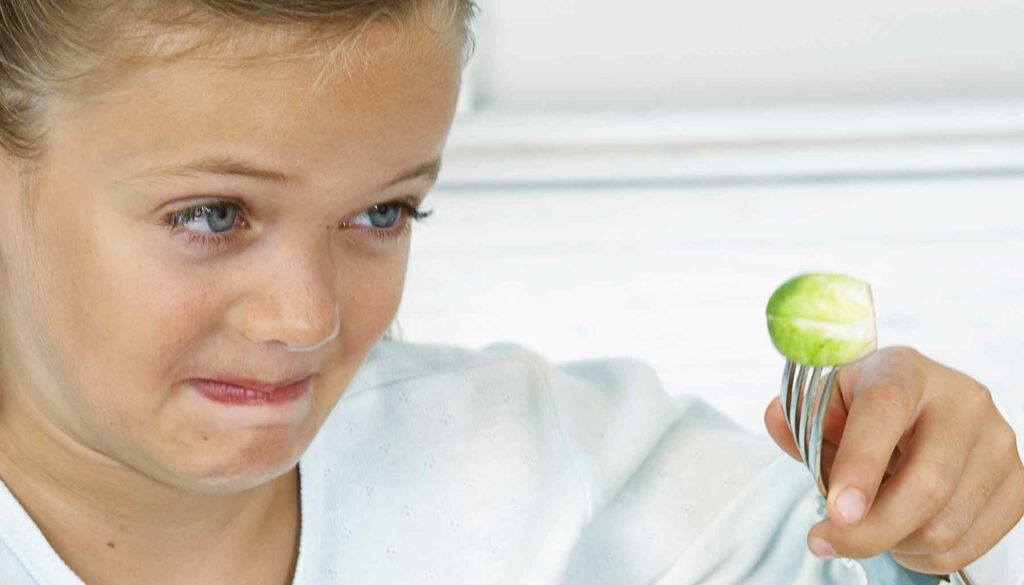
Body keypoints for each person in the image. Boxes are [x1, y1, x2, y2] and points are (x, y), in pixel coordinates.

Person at [0, 1, 1020, 583]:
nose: (307, 319)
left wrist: (919, 517)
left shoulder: (562, 472)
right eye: (214, 216)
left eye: (383, 214)